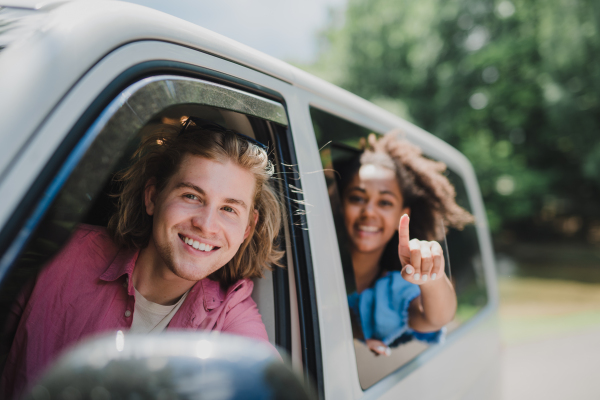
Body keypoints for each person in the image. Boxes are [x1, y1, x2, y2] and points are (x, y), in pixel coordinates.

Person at [1, 118, 284, 398]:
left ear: (247, 228)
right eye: (191, 196)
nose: (206, 225)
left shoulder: (231, 314)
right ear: (152, 198)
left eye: (229, 209)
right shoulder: (55, 254)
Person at [338, 131, 473, 356]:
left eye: (385, 202)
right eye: (358, 198)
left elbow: (435, 318)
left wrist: (432, 278)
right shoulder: (309, 258)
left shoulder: (395, 289)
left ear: (403, 214)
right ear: (342, 205)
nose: (369, 212)